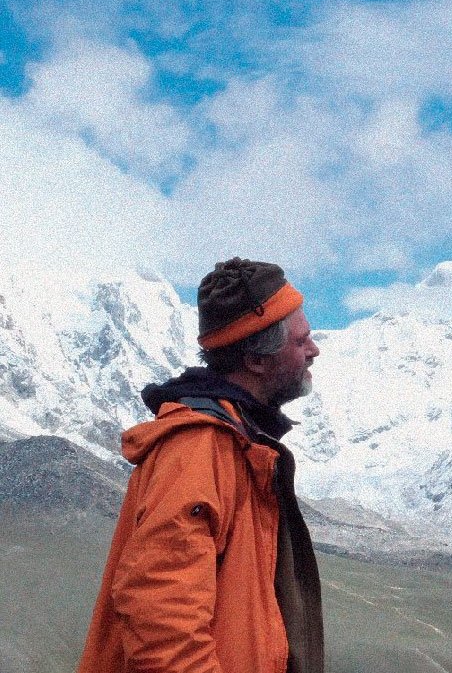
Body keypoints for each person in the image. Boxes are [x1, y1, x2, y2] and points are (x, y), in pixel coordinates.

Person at [79, 258, 325, 673]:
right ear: (257, 360)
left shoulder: (241, 443)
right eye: (300, 342)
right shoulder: (199, 446)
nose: (313, 350)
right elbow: (163, 615)